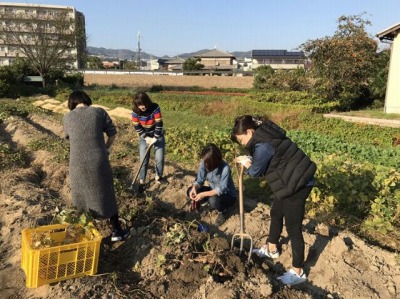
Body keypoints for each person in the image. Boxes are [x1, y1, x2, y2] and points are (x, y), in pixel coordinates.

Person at [231, 115, 316, 286]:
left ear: (250, 131)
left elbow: (256, 172)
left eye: (241, 140)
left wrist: (247, 163)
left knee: (293, 228)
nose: (242, 144)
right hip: (289, 180)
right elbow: (270, 159)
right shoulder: (265, 135)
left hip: (298, 184)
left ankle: (298, 271)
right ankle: (271, 248)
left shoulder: (263, 145)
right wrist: (252, 161)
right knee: (276, 212)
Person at [63, 90, 129, 242]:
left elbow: (69, 138)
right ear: (87, 100)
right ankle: (116, 231)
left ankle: (85, 235)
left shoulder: (67, 117)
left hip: (76, 162)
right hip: (98, 159)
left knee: (80, 197)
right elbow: (112, 133)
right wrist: (106, 148)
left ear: (72, 103)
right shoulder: (99, 112)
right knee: (106, 192)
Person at [187, 143, 237, 226]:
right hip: (212, 190)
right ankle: (207, 206)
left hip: (228, 195)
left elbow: (221, 189)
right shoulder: (204, 163)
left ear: (214, 162)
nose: (204, 164)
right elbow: (199, 180)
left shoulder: (225, 168)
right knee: (189, 191)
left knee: (213, 200)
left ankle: (223, 212)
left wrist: (203, 194)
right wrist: (194, 188)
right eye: (204, 161)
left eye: (207, 163)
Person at [131, 92, 166, 193]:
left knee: (159, 158)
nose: (142, 106)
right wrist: (146, 138)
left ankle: (158, 177)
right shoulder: (135, 112)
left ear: (147, 102)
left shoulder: (155, 107)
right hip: (144, 137)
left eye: (144, 104)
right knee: (143, 160)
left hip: (157, 136)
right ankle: (142, 181)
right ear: (136, 105)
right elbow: (137, 127)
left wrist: (155, 137)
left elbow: (159, 123)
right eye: (139, 105)